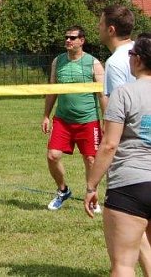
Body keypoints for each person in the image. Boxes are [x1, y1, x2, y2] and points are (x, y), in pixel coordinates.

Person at [85, 34, 151, 276]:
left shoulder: (124, 93)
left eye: (131, 54)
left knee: (123, 265)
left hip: (130, 184)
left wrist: (91, 186)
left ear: (138, 59)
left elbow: (109, 145)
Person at [42, 25, 105, 210]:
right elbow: (52, 90)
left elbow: (102, 95)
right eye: (66, 37)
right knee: (52, 156)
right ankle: (63, 190)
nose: (68, 40)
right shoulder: (58, 61)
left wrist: (106, 121)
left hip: (88, 120)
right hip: (63, 120)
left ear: (82, 41)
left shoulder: (93, 63)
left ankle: (92, 197)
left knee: (91, 160)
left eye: (72, 38)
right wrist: (46, 116)